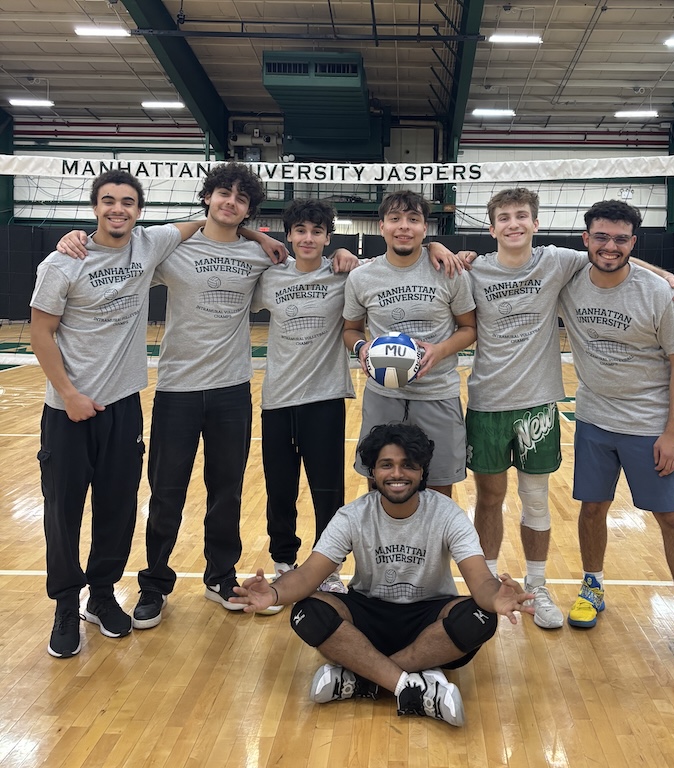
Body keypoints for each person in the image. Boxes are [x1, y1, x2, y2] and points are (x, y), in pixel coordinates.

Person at [54, 163, 292, 630]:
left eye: (241, 199)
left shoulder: (259, 254)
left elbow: (311, 261)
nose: (230, 202)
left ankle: (220, 576)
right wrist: (72, 239)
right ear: (207, 197)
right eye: (223, 193)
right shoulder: (169, 250)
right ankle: (155, 584)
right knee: (166, 494)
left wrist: (260, 236)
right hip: (177, 390)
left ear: (249, 210)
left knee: (227, 491)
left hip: (232, 390)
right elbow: (116, 246)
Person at [466, 188, 674, 631]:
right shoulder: (470, 270)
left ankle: (537, 586)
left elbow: (614, 256)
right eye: (504, 218)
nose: (514, 224)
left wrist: (666, 276)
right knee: (489, 498)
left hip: (539, 402)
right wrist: (438, 246)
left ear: (535, 223)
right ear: (492, 228)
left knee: (534, 500)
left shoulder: (557, 261)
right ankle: (486, 587)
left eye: (522, 216)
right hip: (488, 401)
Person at [231, 423, 534, 726]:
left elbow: (480, 580)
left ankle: (364, 677)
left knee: (481, 618)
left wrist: (495, 597)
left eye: (408, 465)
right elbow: (309, 573)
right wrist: (273, 592)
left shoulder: (446, 513)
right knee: (307, 612)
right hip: (369, 617)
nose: (397, 474)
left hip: (428, 617)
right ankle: (412, 686)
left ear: (421, 472)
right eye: (386, 465)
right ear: (373, 473)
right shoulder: (353, 516)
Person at [31, 170, 197, 657]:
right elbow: (41, 334)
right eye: (108, 201)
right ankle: (65, 604)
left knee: (118, 509)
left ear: (140, 211)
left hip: (124, 406)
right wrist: (69, 393)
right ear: (94, 207)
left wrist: (258, 235)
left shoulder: (149, 245)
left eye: (127, 202)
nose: (117, 209)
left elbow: (203, 220)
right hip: (67, 411)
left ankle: (101, 596)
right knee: (63, 513)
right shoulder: (62, 262)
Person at [557, 199, 674, 668]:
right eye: (601, 236)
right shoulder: (568, 279)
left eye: (621, 239)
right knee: (592, 509)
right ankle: (592, 584)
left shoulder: (657, 293)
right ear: (584, 240)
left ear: (633, 244)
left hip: (649, 427)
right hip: (593, 419)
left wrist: (672, 432)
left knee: (673, 518)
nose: (610, 246)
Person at [250, 199, 356, 605]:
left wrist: (351, 256)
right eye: (300, 231)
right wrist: (253, 234)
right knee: (280, 488)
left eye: (316, 231)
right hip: (277, 400)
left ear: (328, 238)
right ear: (288, 235)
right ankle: (283, 563)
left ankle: (328, 569)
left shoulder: (344, 274)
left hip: (324, 398)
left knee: (327, 490)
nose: (307, 238)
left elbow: (388, 267)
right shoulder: (270, 278)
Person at [342, 190, 476, 497]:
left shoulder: (449, 271)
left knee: (439, 489)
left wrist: (439, 350)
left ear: (424, 229)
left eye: (413, 219)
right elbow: (350, 330)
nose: (404, 226)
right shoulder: (362, 277)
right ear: (382, 227)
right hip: (383, 394)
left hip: (437, 394)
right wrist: (362, 349)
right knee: (379, 485)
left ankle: (434, 546)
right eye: (395, 219)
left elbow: (469, 328)